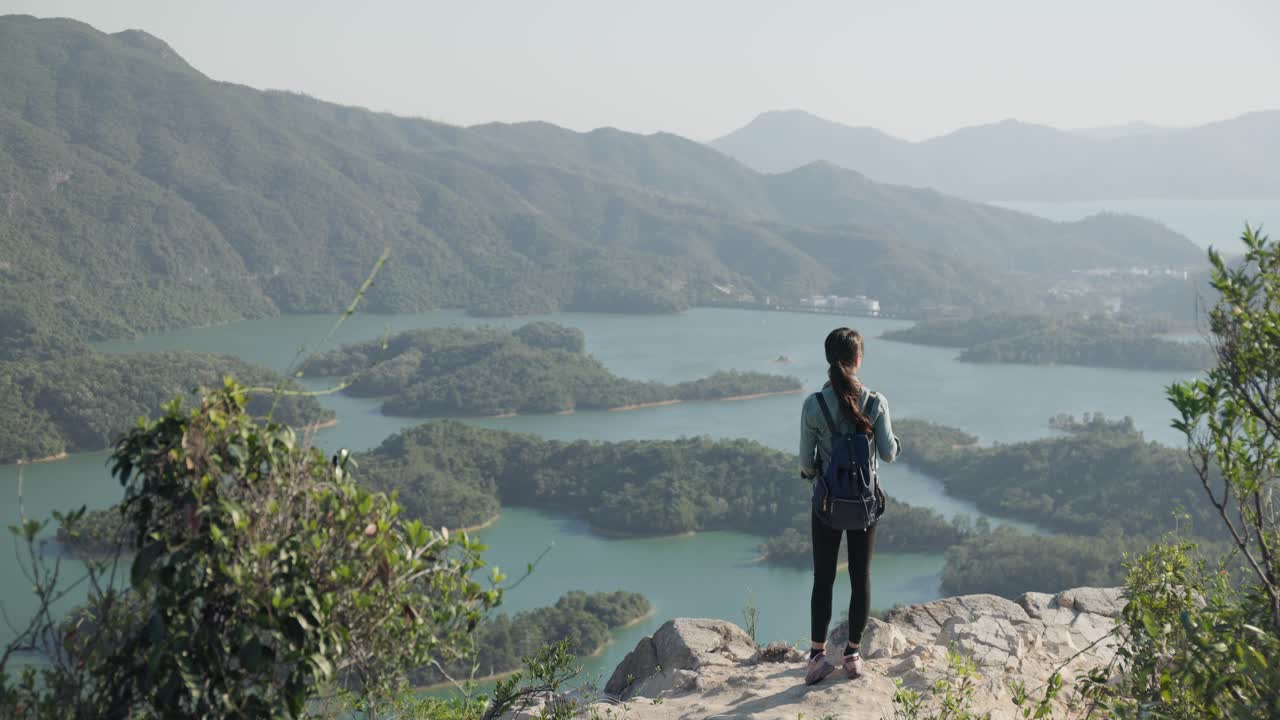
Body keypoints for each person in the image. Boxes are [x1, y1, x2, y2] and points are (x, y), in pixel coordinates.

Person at [799, 327, 901, 684]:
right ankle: (853, 655)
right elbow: (888, 454)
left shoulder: (813, 404)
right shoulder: (876, 402)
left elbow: (806, 464)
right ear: (858, 360)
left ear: (830, 358)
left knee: (823, 578)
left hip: (826, 504)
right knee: (861, 577)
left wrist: (818, 475)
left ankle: (815, 657)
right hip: (864, 505)